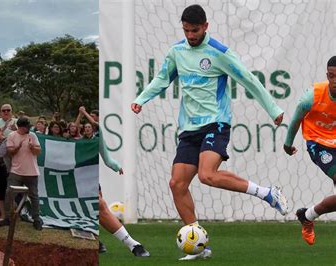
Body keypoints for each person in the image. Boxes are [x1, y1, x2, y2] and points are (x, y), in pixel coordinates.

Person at [131, 5, 288, 260]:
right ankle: (200, 247)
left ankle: (267, 193)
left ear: (206, 26)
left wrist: (273, 109)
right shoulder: (176, 52)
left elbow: (248, 79)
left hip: (216, 123)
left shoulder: (220, 53)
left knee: (207, 175)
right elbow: (162, 79)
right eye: (186, 30)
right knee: (177, 184)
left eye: (194, 30)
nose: (190, 35)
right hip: (189, 128)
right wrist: (141, 98)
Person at [283, 56, 336, 246]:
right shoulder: (312, 95)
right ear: (327, 76)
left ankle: (307, 215)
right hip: (318, 143)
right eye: (331, 76)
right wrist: (288, 144)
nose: (335, 81)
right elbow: (297, 118)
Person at [98, 126, 150, 257]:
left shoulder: (96, 131)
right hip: (67, 177)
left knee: (100, 205)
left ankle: (133, 245)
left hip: (89, 177)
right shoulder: (70, 131)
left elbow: (106, 158)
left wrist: (115, 165)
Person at [0, 117, 43, 230]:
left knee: (34, 195)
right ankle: (8, 217)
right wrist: (18, 147)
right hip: (16, 170)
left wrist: (32, 147)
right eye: (26, 127)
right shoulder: (12, 136)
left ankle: (36, 219)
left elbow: (38, 151)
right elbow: (10, 152)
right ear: (21, 127)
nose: (28, 129)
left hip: (31, 171)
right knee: (9, 193)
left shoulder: (32, 135)